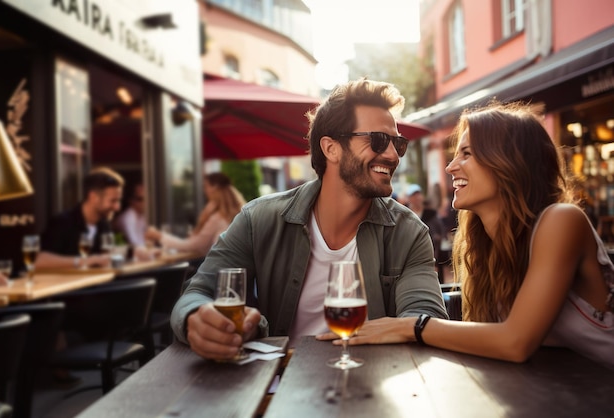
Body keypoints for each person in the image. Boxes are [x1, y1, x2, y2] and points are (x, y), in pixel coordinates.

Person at [171, 78, 448, 361]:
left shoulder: (408, 232)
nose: (391, 155)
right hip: (278, 388)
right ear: (331, 148)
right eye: (378, 140)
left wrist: (412, 326)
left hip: (371, 387)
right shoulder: (259, 219)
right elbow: (197, 293)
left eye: (397, 143)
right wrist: (197, 319)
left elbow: (425, 316)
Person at [331, 102, 614, 369]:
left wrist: (411, 326)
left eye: (466, 154)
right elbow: (491, 343)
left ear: (509, 162)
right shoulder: (485, 245)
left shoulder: (561, 221)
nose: (451, 166)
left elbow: (516, 343)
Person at [36, 167, 124, 269]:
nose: (117, 207)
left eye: (118, 201)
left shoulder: (104, 225)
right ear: (93, 197)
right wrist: (83, 261)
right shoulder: (63, 222)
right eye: (113, 201)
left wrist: (134, 251)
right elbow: (39, 260)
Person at [145, 172, 246, 257]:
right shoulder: (238, 213)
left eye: (205, 186)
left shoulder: (218, 218)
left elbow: (194, 245)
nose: (204, 191)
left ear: (214, 188)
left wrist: (159, 236)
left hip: (219, 271)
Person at [405, 184, 446, 282]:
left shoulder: (431, 214)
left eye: (418, 194)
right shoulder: (403, 215)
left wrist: (435, 262)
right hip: (411, 258)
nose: (417, 198)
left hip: (432, 255)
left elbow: (439, 236)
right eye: (414, 195)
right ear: (409, 198)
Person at [115, 182, 147, 247]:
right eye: (140, 199)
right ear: (131, 200)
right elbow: (135, 243)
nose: (145, 202)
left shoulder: (142, 215)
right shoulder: (128, 217)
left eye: (147, 198)